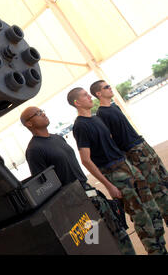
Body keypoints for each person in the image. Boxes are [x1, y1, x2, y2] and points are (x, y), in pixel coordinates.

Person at [21, 106, 135, 254]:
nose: (43, 114)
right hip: (73, 203)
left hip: (88, 192)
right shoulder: (34, 150)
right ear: (29, 124)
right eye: (38, 113)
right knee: (100, 244)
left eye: (42, 110)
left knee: (120, 234)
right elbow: (44, 186)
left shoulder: (57, 138)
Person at [67, 87, 166, 255]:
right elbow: (85, 160)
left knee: (154, 211)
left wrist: (132, 167)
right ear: (77, 103)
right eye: (85, 95)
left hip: (127, 168)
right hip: (114, 174)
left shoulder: (97, 119)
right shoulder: (80, 126)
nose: (90, 97)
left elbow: (112, 144)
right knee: (142, 219)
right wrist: (109, 185)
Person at [90, 80, 168, 225]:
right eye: (106, 87)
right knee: (157, 188)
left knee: (164, 179)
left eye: (109, 85)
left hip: (142, 145)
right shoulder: (102, 114)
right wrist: (129, 163)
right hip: (134, 152)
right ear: (99, 94)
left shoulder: (115, 107)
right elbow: (111, 139)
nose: (110, 88)